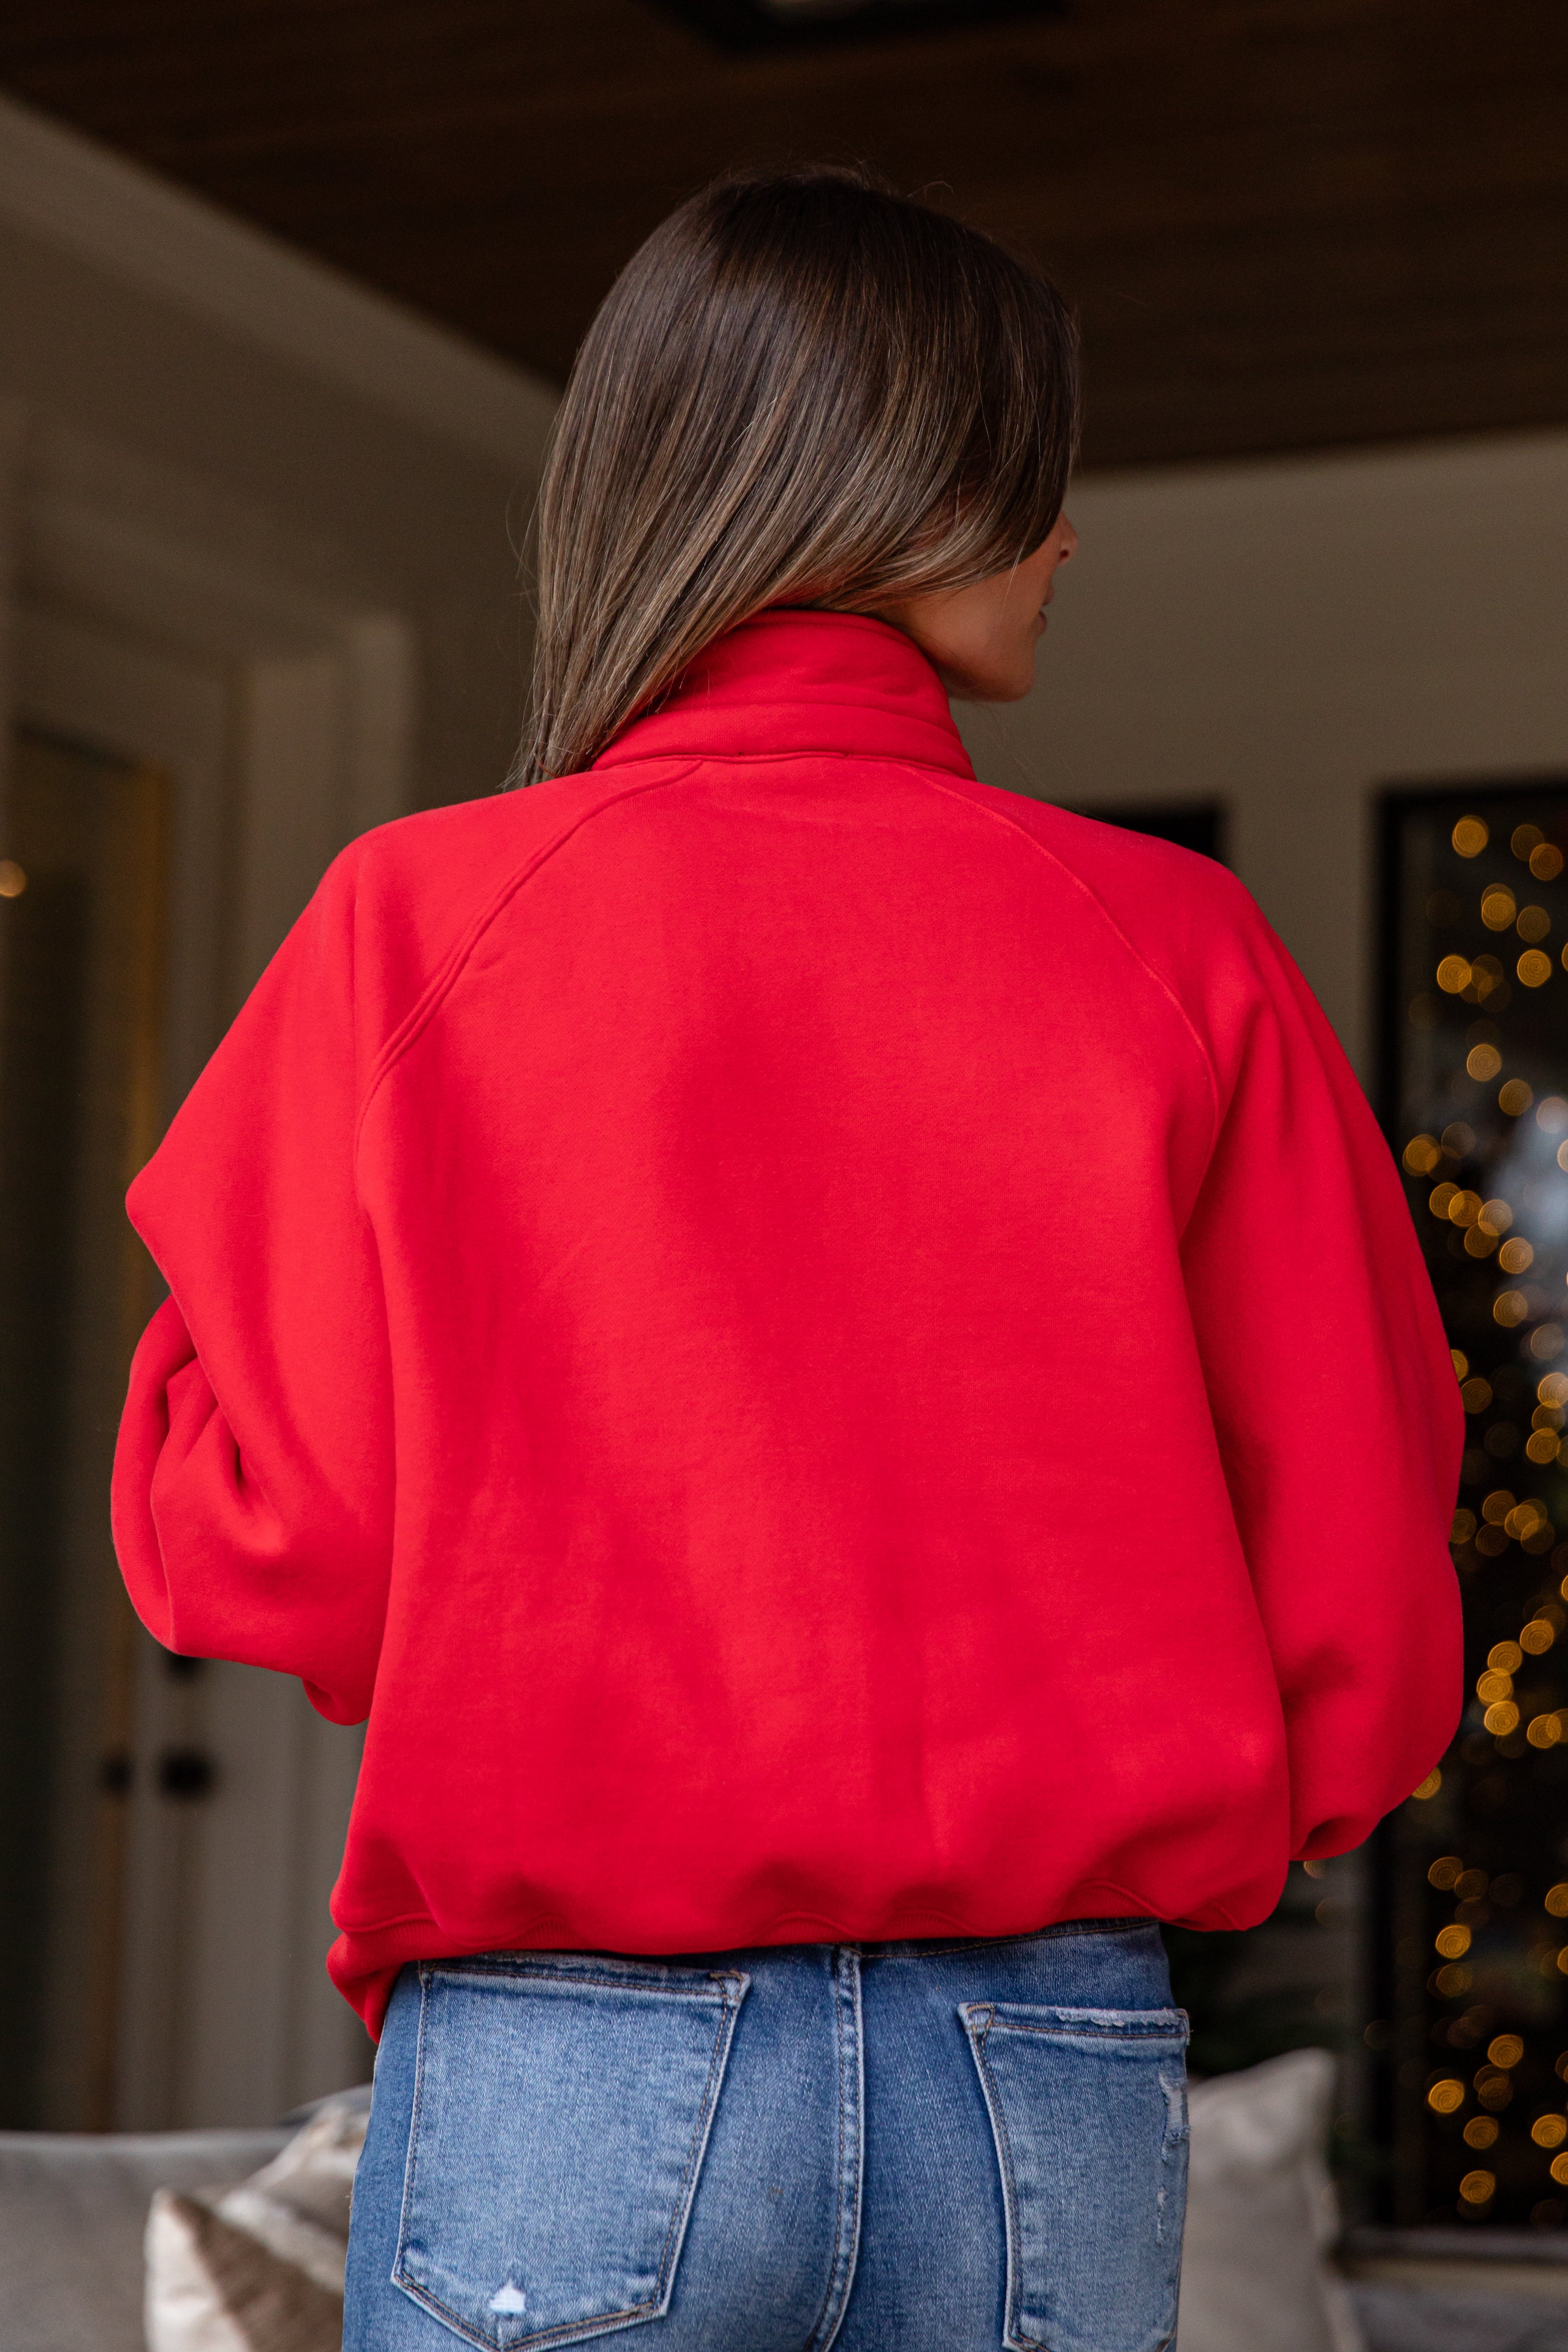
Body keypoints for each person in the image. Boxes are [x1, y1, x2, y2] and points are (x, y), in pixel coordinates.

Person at [112, 167, 1463, 2351]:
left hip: (570, 2050)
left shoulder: (420, 923)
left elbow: (274, 1537)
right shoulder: (1176, 949)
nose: (1067, 537)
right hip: (1047, 2054)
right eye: (1036, 476)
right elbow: (1366, 1589)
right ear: (899, 495)